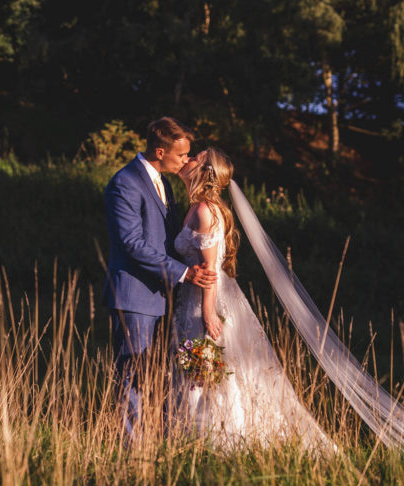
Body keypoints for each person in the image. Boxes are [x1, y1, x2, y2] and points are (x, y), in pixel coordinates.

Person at [169, 148, 330, 448]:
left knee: (207, 374)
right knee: (201, 373)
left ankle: (220, 440)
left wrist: (207, 314)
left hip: (205, 302)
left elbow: (209, 269)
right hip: (192, 299)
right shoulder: (196, 207)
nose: (187, 159)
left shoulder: (205, 211)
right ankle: (195, 437)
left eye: (196, 157)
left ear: (204, 171)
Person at [102, 117, 216, 432]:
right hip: (134, 295)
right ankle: (131, 455)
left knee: (157, 377)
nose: (186, 161)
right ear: (161, 151)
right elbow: (132, 243)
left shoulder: (163, 183)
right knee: (131, 377)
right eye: (182, 155)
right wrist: (184, 273)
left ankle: (160, 446)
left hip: (164, 298)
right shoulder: (125, 182)